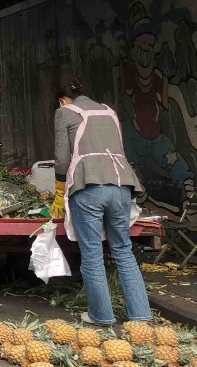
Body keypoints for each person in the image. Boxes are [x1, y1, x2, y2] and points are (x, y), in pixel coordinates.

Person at [53, 80, 151, 326]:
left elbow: (62, 159)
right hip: (121, 185)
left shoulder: (65, 112)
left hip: (88, 186)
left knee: (92, 253)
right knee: (123, 250)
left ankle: (101, 316)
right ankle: (140, 315)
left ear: (62, 101)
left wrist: (59, 186)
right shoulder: (109, 112)